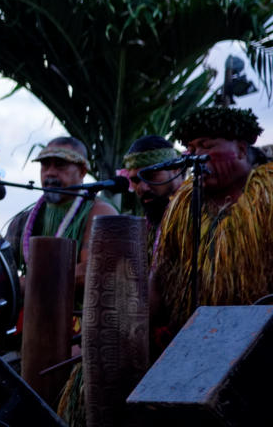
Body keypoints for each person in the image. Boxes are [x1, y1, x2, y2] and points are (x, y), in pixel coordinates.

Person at [151, 106, 273, 348]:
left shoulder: (268, 197)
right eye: (192, 148)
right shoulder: (182, 205)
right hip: (192, 342)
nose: (196, 156)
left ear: (240, 149)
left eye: (206, 147)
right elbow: (160, 274)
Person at [2, 136, 116, 289]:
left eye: (60, 165)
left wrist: (32, 283)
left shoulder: (100, 213)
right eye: (45, 165)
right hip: (31, 311)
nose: (50, 173)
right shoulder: (24, 220)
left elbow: (92, 270)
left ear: (82, 171)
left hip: (80, 311)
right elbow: (0, 269)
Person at [116, 134, 182, 251]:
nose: (142, 188)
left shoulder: (199, 212)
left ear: (175, 169)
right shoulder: (146, 225)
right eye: (135, 180)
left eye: (150, 176)